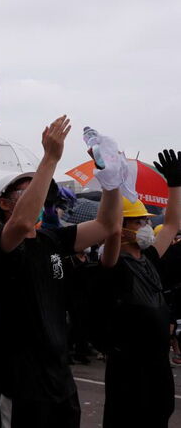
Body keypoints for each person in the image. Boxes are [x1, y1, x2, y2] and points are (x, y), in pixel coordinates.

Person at [0, 123, 124, 427]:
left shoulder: (51, 240)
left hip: (59, 383)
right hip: (19, 387)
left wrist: (111, 182)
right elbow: (20, 223)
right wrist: (50, 159)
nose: (39, 195)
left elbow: (107, 225)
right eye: (27, 189)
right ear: (3, 204)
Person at [97, 149, 180, 427]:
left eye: (145, 220)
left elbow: (171, 225)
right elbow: (110, 243)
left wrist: (175, 185)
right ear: (120, 227)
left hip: (158, 367)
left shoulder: (149, 260)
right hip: (129, 372)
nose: (146, 225)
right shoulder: (112, 266)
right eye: (139, 221)